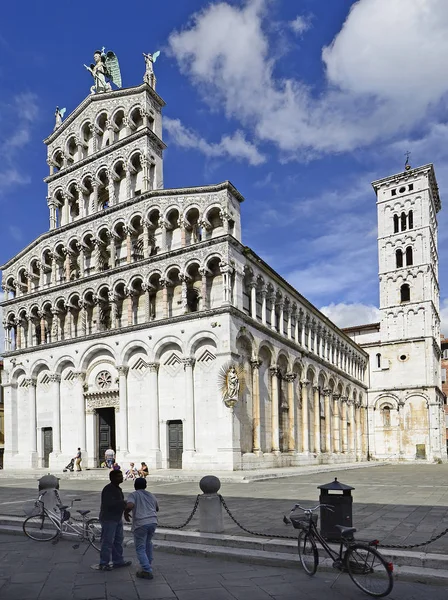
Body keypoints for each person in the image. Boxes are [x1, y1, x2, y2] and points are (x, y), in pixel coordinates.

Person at [91, 470, 132, 572]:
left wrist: (124, 510)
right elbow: (109, 504)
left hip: (117, 518)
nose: (121, 478)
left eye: (121, 476)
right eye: (118, 476)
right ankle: (103, 563)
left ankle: (118, 561)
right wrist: (124, 503)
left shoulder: (117, 488)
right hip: (109, 519)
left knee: (118, 540)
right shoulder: (108, 489)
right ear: (112, 478)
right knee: (107, 541)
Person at [124, 477, 158, 579]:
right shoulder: (151, 495)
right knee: (148, 543)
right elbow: (157, 508)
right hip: (153, 521)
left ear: (135, 486)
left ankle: (146, 570)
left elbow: (130, 505)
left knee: (140, 547)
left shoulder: (133, 495)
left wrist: (126, 513)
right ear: (145, 485)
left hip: (141, 523)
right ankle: (148, 563)